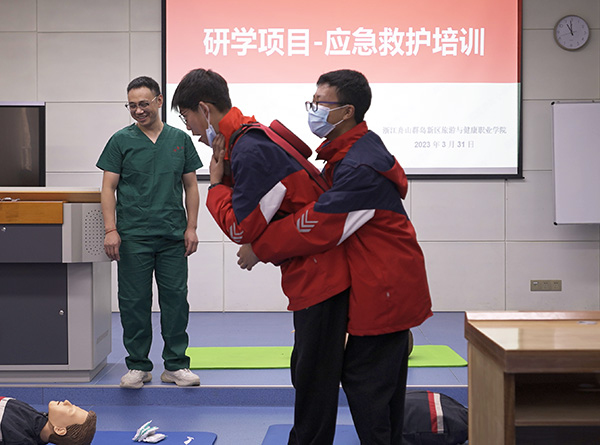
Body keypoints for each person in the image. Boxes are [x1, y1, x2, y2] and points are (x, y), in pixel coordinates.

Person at [237, 69, 434, 444]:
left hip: (385, 285)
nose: (312, 110)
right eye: (311, 102)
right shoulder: (348, 154)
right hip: (381, 281)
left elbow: (321, 224)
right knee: (379, 388)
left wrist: (259, 248)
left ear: (346, 111)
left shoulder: (359, 166)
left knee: (368, 384)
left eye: (319, 103)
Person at [171, 68, 351, 445]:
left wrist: (216, 185)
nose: (189, 128)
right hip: (312, 272)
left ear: (205, 109)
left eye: (187, 117)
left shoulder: (249, 148)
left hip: (321, 275)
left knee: (314, 376)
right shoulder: (246, 138)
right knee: (308, 370)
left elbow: (242, 229)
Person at [96, 76, 202, 389]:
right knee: (133, 302)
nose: (138, 110)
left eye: (144, 104)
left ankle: (176, 365)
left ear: (159, 101)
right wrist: (111, 229)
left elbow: (191, 186)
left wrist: (192, 227)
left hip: (172, 236)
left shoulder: (179, 139)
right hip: (133, 236)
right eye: (132, 105)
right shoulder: (121, 141)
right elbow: (108, 188)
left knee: (175, 301)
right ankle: (138, 366)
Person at [0, 397, 96, 445]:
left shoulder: (18, 437)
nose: (67, 402)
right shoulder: (35, 418)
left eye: (70, 411)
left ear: (59, 430)